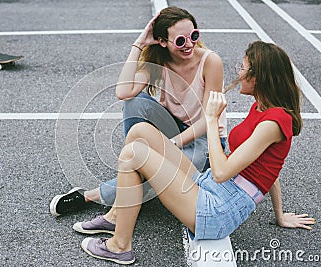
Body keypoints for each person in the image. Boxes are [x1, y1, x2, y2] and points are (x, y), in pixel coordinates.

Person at [75, 41, 315, 265]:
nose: (238, 73)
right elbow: (271, 167)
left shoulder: (273, 122)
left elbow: (221, 172)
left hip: (218, 209)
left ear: (259, 76)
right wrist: (280, 215)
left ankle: (119, 246)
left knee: (133, 155)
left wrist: (211, 119)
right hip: (211, 187)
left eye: (242, 67)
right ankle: (117, 214)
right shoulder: (262, 107)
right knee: (141, 132)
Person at [50, 6, 227, 216]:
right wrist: (139, 44)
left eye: (194, 36)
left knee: (156, 167)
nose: (189, 44)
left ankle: (90, 195)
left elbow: (209, 119)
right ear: (162, 41)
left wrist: (172, 145)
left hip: (206, 141)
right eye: (180, 40)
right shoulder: (159, 61)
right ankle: (134, 167)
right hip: (175, 127)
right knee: (135, 102)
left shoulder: (210, 61)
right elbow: (123, 92)